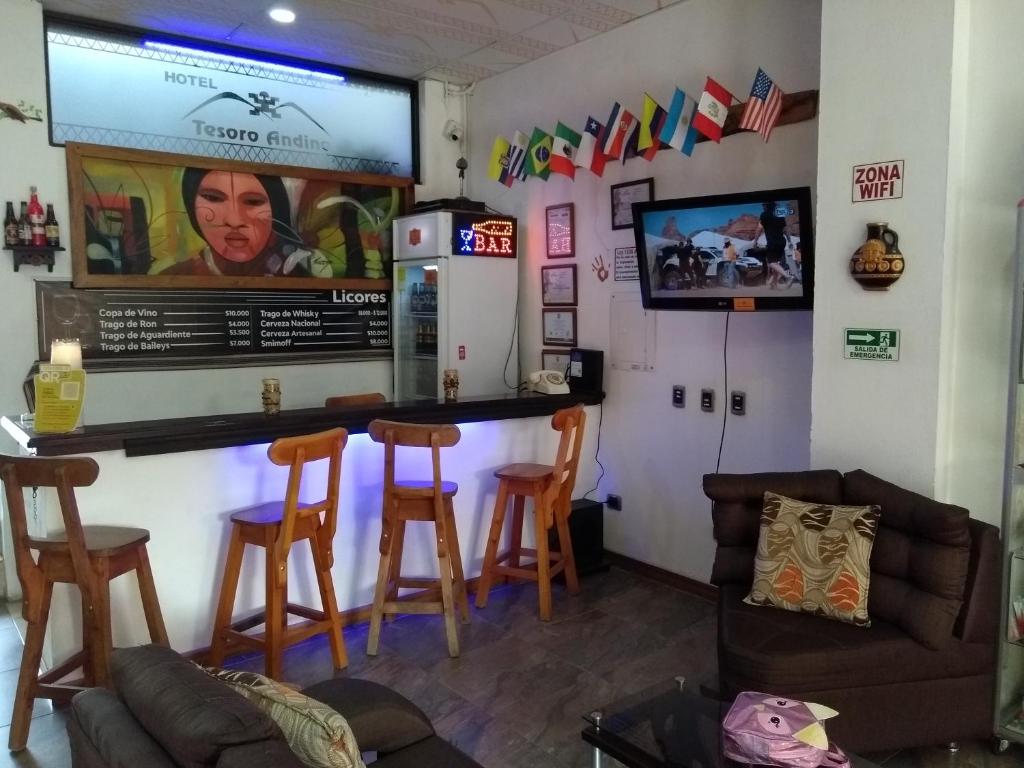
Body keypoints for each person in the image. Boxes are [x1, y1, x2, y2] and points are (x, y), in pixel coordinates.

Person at [164, 168, 295, 276]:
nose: (234, 221)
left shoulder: (299, 270)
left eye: (253, 201)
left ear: (277, 209)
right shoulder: (174, 276)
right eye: (213, 198)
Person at [753, 201, 793, 289]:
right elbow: (785, 230)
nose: (762, 206)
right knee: (776, 263)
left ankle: (788, 277)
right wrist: (790, 241)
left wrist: (755, 241)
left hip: (773, 242)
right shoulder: (779, 215)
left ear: (766, 205)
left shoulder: (764, 215)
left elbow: (759, 229)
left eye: (763, 205)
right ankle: (774, 284)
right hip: (782, 242)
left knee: (771, 263)